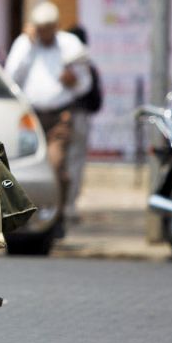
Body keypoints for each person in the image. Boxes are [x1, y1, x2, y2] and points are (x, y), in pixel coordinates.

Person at [4, 2, 91, 233]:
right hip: (30, 118)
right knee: (24, 167)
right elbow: (11, 77)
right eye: (40, 27)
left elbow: (85, 84)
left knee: (55, 165)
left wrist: (73, 82)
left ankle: (56, 216)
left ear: (56, 26)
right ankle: (24, 215)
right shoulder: (25, 45)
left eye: (49, 27)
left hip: (59, 116)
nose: (45, 32)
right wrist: (29, 46)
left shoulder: (69, 45)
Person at [65, 25, 102, 223]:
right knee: (74, 162)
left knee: (65, 161)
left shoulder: (63, 62)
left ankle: (64, 206)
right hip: (78, 117)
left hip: (65, 116)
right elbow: (96, 101)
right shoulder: (87, 64)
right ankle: (68, 206)